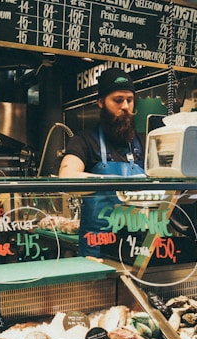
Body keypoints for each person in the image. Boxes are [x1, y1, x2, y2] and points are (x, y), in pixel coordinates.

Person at [58, 68, 145, 257]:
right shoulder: (85, 141)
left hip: (139, 247)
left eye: (129, 100)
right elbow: (66, 177)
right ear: (100, 102)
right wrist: (117, 182)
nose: (125, 106)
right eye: (118, 100)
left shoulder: (143, 142)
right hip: (97, 248)